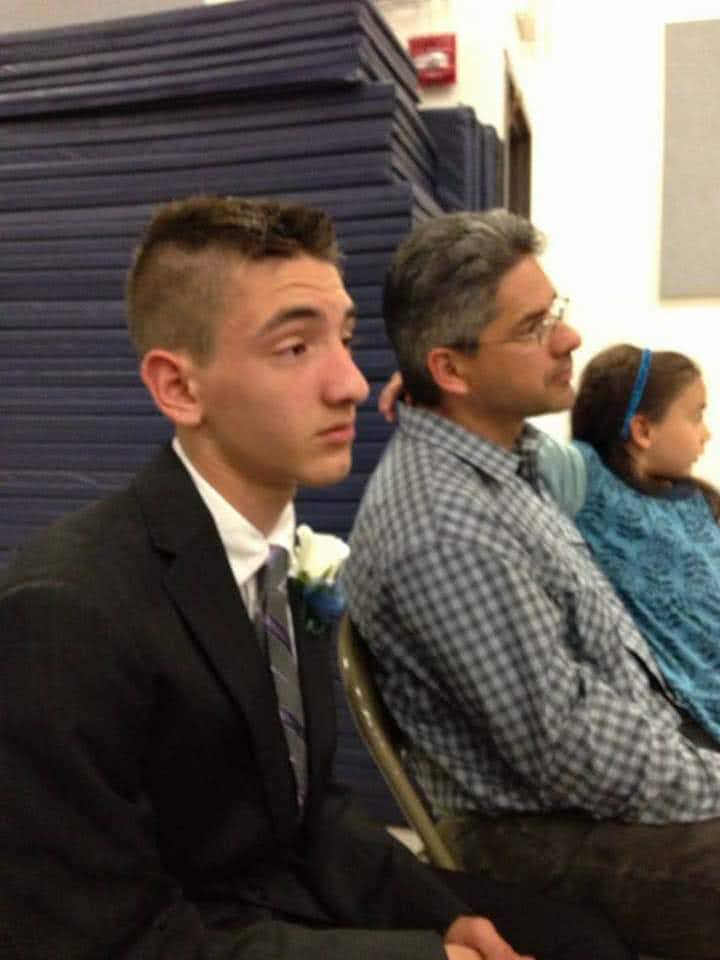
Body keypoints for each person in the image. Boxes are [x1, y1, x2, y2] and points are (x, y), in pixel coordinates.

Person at [0, 196, 632, 960]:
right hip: (191, 927)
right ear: (180, 388)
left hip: (284, 897)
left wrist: (440, 917)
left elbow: (308, 804)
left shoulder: (282, 561)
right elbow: (105, 941)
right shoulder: (67, 613)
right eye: (296, 347)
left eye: (346, 338)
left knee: (583, 941)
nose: (353, 383)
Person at [343, 208, 720, 960]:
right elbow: (569, 746)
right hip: (535, 833)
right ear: (454, 370)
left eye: (556, 311)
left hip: (597, 789)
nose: (569, 337)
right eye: (534, 326)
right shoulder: (445, 529)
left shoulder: (510, 460)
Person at [538, 343, 720, 744]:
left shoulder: (699, 501)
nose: (706, 434)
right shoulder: (586, 480)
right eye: (696, 416)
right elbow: (517, 443)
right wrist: (433, 396)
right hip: (688, 722)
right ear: (643, 430)